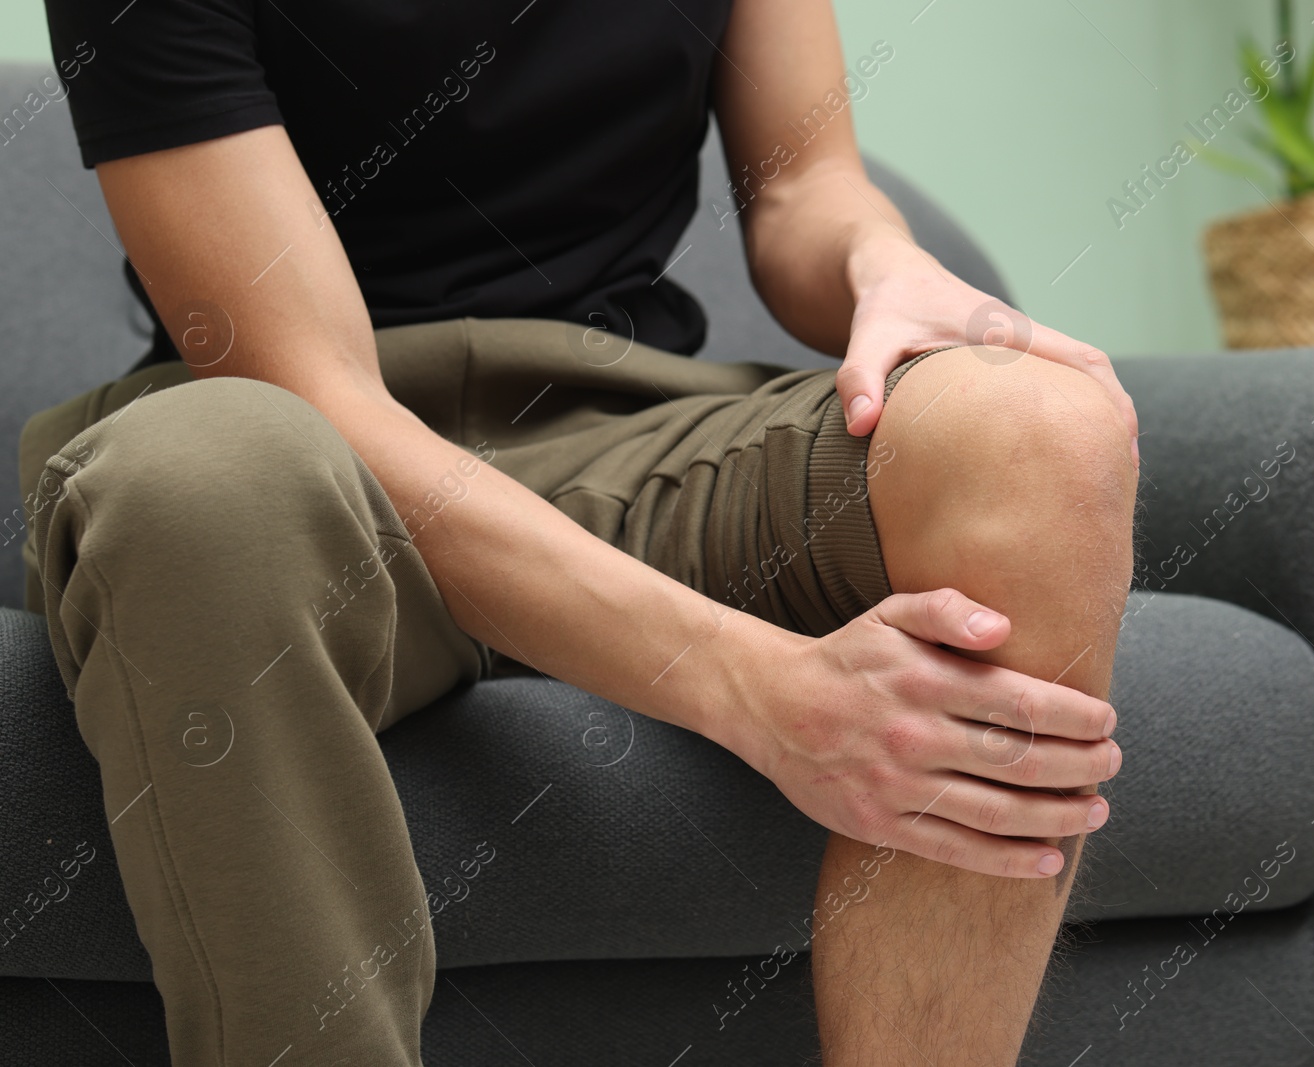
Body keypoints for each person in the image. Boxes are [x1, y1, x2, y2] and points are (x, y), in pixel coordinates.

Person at [23, 1, 1140, 1063]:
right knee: (202, 481)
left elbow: (806, 187)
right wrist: (765, 692)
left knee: (1039, 428)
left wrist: (879, 263)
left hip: (627, 432)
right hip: (309, 469)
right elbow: (313, 383)